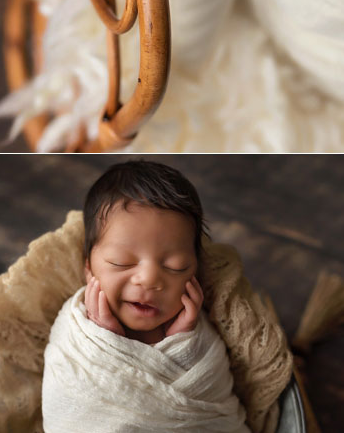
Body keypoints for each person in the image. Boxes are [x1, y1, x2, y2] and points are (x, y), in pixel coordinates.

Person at [42, 160, 250, 432]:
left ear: (195, 274)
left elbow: (213, 397)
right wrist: (107, 338)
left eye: (175, 266)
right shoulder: (79, 334)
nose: (149, 279)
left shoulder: (198, 330)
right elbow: (69, 406)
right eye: (121, 262)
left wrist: (184, 340)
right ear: (88, 268)